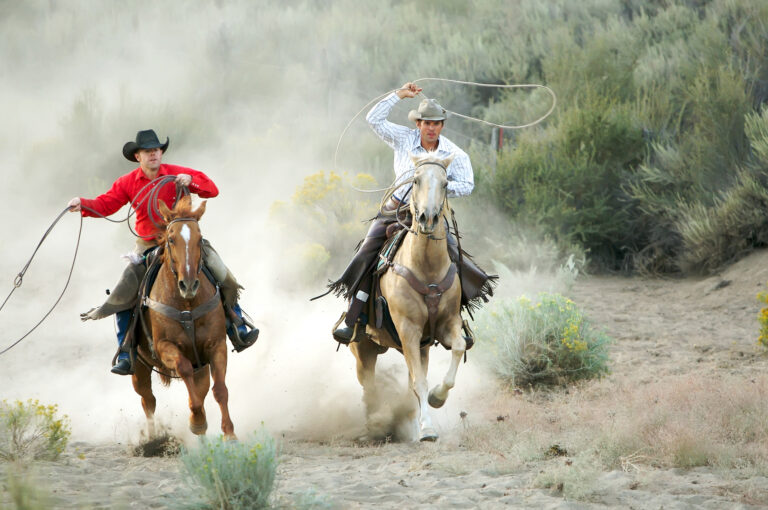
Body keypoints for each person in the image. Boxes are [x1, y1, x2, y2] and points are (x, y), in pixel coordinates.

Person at [68, 129, 259, 375]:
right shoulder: (127, 182)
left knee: (224, 276)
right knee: (123, 292)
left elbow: (212, 190)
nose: (154, 154)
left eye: (157, 150)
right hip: (149, 244)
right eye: (148, 151)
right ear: (138, 156)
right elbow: (107, 204)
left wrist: (192, 182)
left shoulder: (178, 174)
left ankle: (237, 325)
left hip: (184, 241)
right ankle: (125, 350)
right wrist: (82, 203)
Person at [329, 82, 495, 343]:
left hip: (432, 215)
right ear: (418, 124)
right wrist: (398, 95)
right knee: (367, 252)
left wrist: (437, 189)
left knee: (455, 258)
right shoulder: (403, 138)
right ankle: (354, 316)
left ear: (442, 125)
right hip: (396, 210)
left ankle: (456, 320)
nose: (431, 128)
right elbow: (373, 119)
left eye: (436, 123)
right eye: (426, 123)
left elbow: (468, 184)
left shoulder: (453, 153)